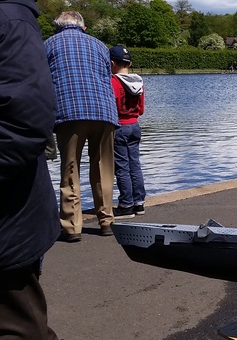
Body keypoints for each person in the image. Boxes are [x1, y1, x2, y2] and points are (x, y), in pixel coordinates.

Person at [0, 0, 80, 340]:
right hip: (93, 120)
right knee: (14, 315)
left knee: (10, 329)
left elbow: (20, 124)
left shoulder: (5, 18)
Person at [46, 11, 119, 242]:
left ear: (58, 27)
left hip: (69, 112)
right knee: (103, 169)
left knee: (70, 169)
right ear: (83, 26)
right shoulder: (99, 45)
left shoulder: (48, 44)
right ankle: (107, 221)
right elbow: (107, 74)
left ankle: (71, 227)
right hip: (104, 110)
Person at [109, 46, 147, 219]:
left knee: (122, 167)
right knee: (135, 165)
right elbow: (141, 110)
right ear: (130, 63)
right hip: (135, 125)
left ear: (111, 63)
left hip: (120, 126)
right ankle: (139, 203)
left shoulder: (112, 82)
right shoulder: (138, 82)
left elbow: (111, 106)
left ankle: (126, 205)